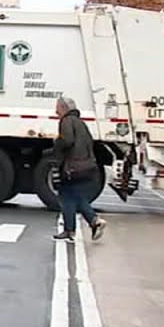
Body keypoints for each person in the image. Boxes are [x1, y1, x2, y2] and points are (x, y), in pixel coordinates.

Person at [52, 96, 107, 242]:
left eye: (57, 108)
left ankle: (88, 222)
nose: (56, 111)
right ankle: (80, 226)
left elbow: (67, 141)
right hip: (86, 166)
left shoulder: (66, 121)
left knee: (67, 195)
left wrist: (57, 142)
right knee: (73, 195)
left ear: (64, 108)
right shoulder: (81, 123)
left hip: (72, 167)